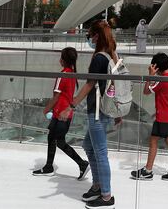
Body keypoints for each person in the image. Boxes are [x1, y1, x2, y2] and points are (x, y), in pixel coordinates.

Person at [61, 21, 118, 208]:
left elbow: (89, 84)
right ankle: (97, 185)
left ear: (96, 36)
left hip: (97, 111)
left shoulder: (99, 58)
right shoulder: (111, 56)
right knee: (88, 145)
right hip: (104, 110)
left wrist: (72, 105)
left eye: (89, 36)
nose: (89, 40)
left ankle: (106, 195)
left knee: (100, 152)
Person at [33, 47, 89, 179]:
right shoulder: (72, 75)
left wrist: (46, 109)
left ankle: (82, 164)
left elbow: (56, 97)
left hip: (61, 113)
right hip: (65, 114)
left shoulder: (62, 74)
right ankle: (48, 166)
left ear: (63, 60)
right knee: (52, 137)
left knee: (59, 141)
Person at [131, 52, 168, 181]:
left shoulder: (161, 80)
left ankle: (149, 170)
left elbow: (146, 91)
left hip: (163, 117)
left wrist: (150, 75)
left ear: (156, 67)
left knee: (156, 140)